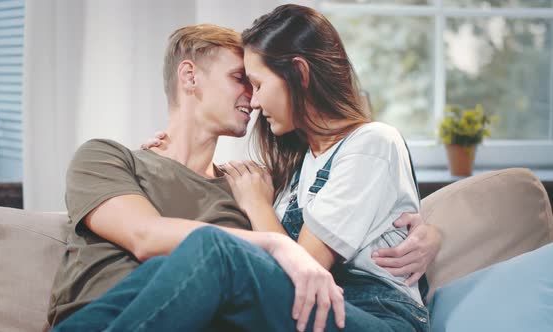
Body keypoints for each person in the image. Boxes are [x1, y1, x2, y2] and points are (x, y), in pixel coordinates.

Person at [51, 17, 440, 332]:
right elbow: (147, 236)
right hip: (317, 307)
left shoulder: (255, 188)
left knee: (212, 250)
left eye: (257, 83)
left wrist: (433, 234)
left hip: (368, 312)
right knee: (173, 262)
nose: (253, 101)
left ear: (298, 75)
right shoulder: (114, 159)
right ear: (189, 77)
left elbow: (301, 262)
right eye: (243, 80)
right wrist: (276, 241)